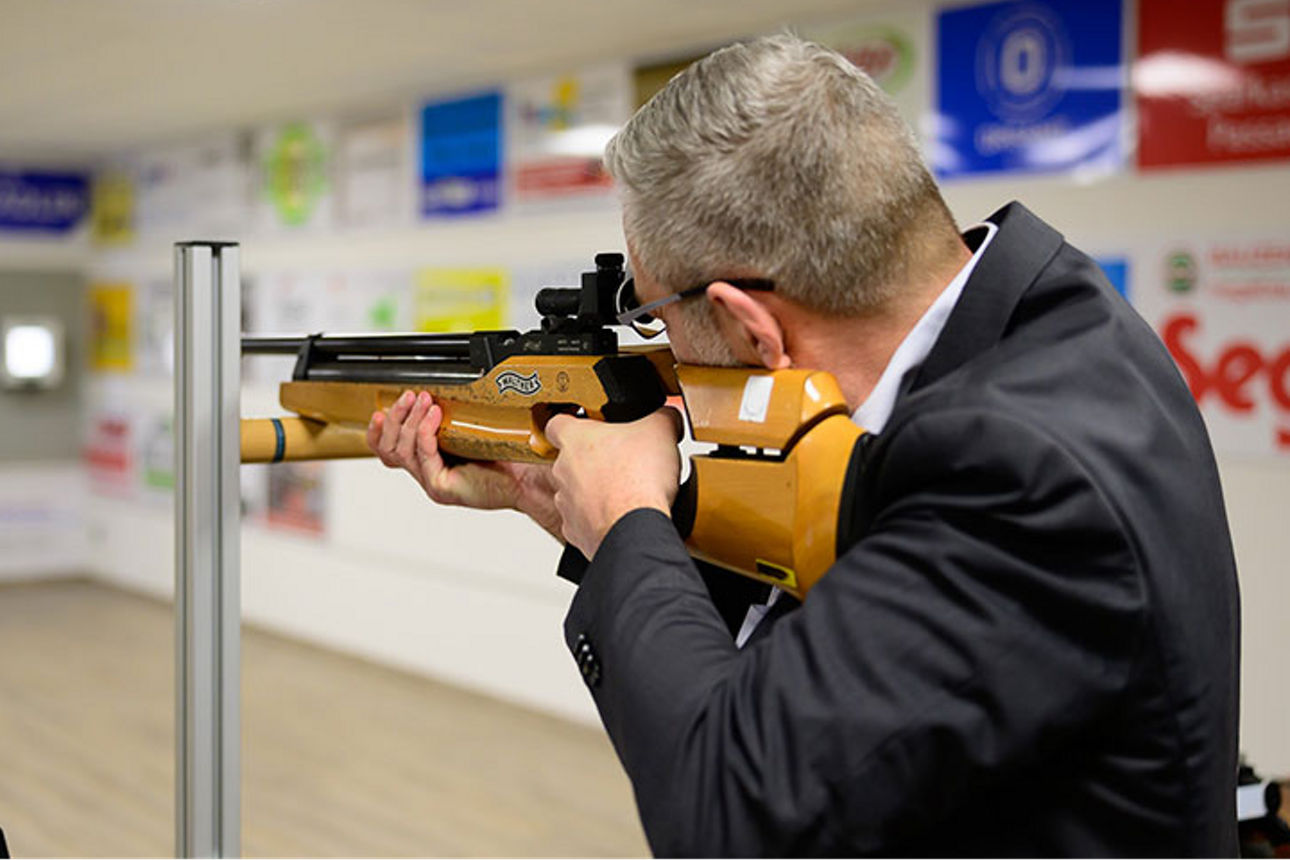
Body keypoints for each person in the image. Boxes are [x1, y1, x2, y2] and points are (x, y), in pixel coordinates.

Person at [368, 35, 1240, 856]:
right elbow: (839, 629)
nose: (656, 343)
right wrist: (579, 509)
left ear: (753, 329)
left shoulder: (1020, 474)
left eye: (655, 314)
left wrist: (629, 519)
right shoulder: (1055, 326)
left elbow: (730, 808)